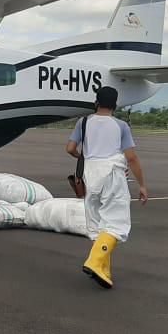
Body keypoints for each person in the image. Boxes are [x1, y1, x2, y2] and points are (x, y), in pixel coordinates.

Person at [65, 87, 148, 289]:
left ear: (97, 102)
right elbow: (131, 157)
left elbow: (70, 148)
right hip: (112, 174)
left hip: (89, 175)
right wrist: (142, 185)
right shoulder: (121, 126)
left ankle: (104, 271)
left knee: (98, 224)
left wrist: (84, 158)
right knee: (116, 222)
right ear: (115, 104)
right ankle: (94, 262)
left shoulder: (83, 122)